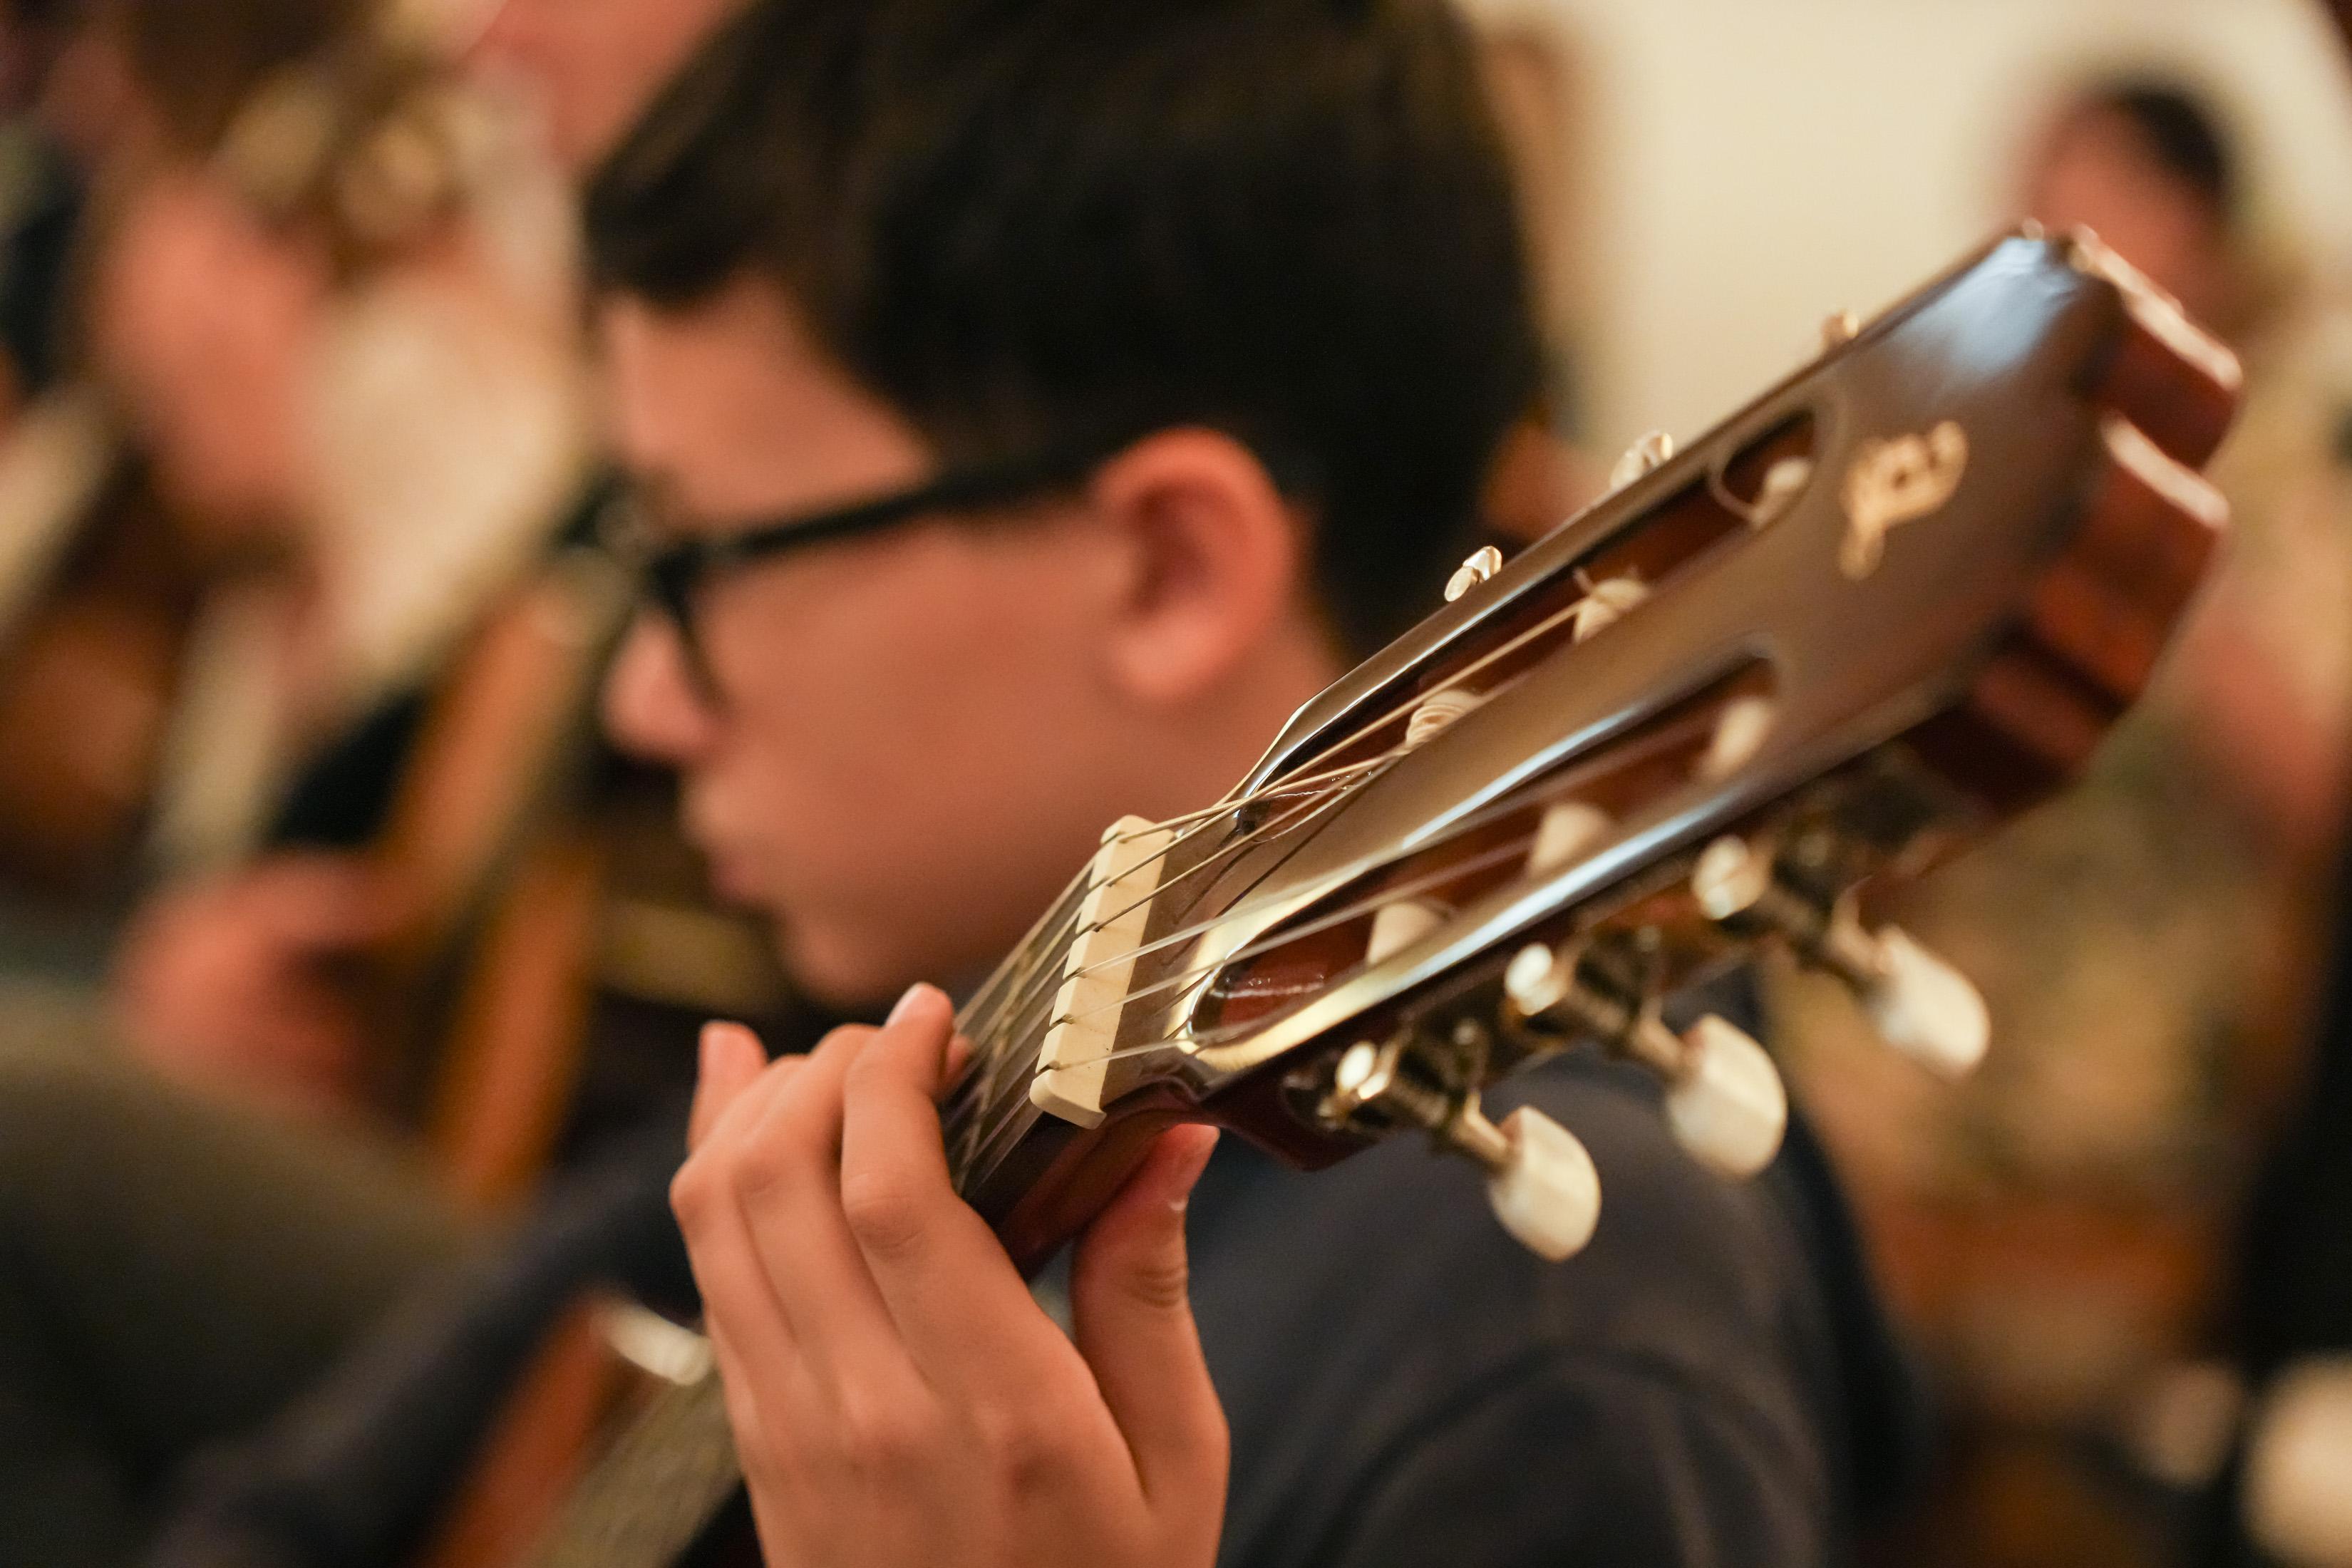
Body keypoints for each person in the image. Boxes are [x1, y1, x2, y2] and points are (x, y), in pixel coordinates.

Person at [579, 1, 1922, 1564]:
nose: (641, 696)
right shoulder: (965, 1015)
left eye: (700, 562)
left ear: (1167, 570)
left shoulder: (1550, 1360)